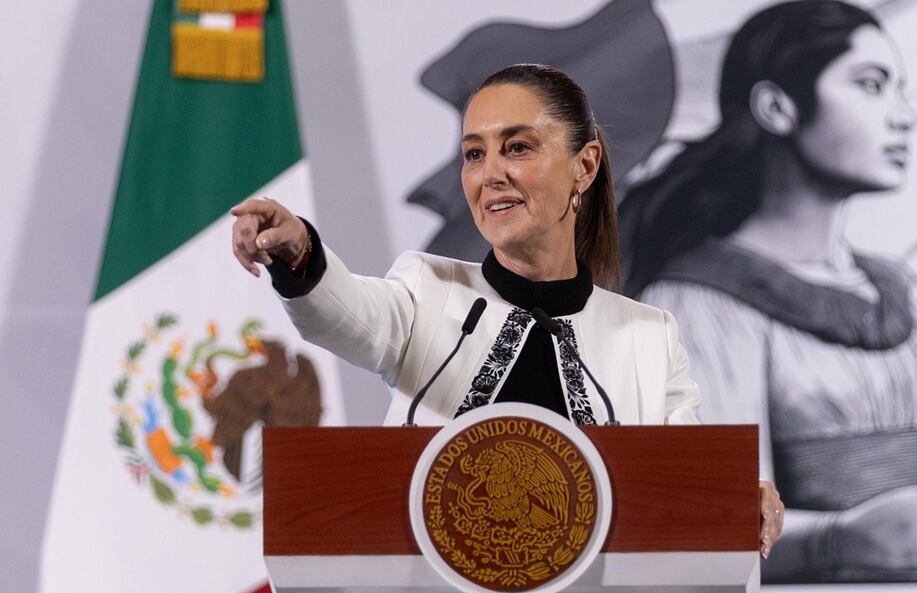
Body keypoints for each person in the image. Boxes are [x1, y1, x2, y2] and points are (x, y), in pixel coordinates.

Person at [230, 63, 784, 555]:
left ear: (585, 166)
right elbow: (346, 314)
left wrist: (737, 497)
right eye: (475, 153)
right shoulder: (427, 289)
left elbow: (688, 482)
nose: (490, 172)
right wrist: (298, 252)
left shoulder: (649, 336)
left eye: (517, 147)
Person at [622, 0, 917, 582]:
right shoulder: (697, 303)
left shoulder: (902, 297)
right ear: (777, 107)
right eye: (871, 85)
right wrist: (836, 541)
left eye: (900, 90)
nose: (904, 116)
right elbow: (701, 535)